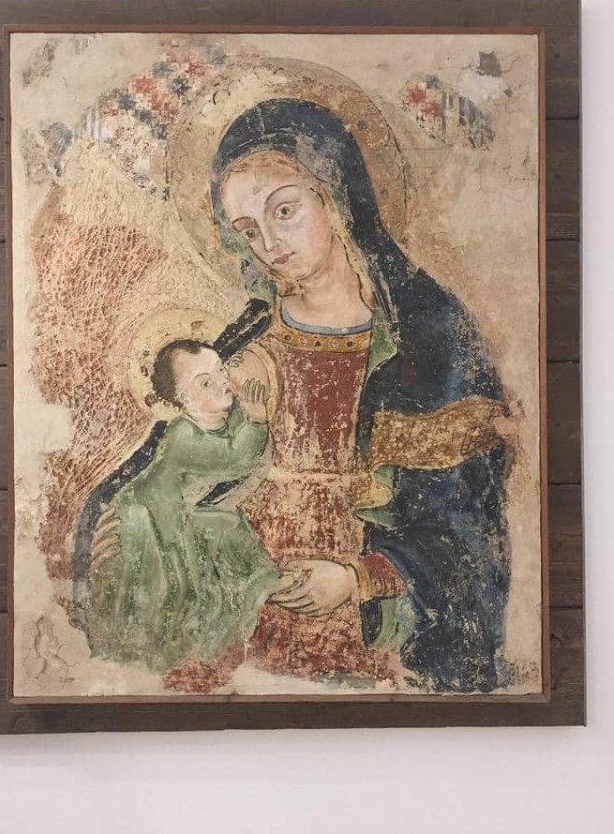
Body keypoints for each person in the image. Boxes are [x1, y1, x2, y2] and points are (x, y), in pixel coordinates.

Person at [207, 98, 511, 693]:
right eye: (247, 231)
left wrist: (359, 577)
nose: (269, 243)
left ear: (336, 196)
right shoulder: (248, 334)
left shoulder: (427, 334)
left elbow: (469, 521)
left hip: (373, 610)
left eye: (284, 211)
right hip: (254, 591)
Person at [79, 338, 280, 678]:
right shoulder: (183, 435)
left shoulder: (219, 418)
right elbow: (234, 458)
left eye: (221, 371)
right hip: (152, 519)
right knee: (174, 589)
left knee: (229, 522)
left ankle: (266, 584)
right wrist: (259, 420)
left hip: (180, 513)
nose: (222, 384)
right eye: (205, 383)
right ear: (181, 400)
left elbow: (233, 435)